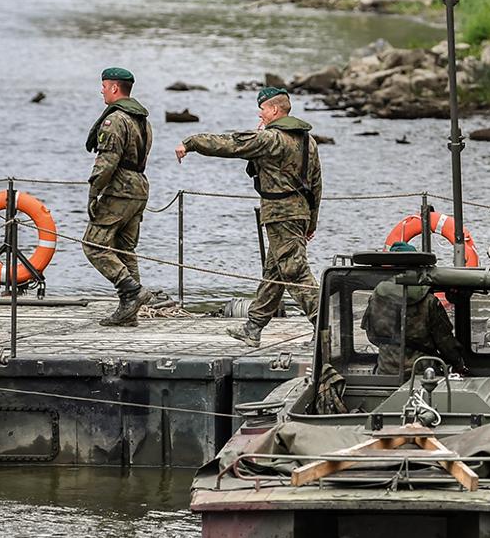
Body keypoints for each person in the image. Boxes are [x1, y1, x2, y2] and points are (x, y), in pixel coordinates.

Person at [175, 87, 322, 346]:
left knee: (295, 273)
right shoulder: (307, 140)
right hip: (297, 213)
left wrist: (191, 142)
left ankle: (326, 329)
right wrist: (311, 220)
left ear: (275, 110)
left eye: (263, 109)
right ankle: (253, 328)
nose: (260, 113)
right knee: (274, 274)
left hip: (280, 215)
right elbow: (316, 183)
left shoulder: (272, 139)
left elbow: (230, 144)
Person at [83, 67, 155, 326]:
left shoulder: (115, 121)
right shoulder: (142, 121)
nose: (101, 90)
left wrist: (94, 191)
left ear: (114, 88)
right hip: (139, 187)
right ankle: (129, 312)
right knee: (125, 249)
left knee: (93, 245)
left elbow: (107, 161)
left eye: (104, 86)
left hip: (120, 189)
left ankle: (132, 291)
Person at [364, 242, 469, 376]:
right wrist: (459, 364)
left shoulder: (376, 297)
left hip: (386, 370)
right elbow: (445, 341)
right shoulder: (429, 301)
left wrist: (392, 348)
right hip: (423, 373)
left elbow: (372, 335)